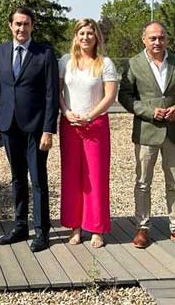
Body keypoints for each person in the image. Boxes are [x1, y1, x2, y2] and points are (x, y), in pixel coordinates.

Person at [117, 21, 175, 250]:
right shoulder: (134, 63)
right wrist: (148, 111)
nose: (157, 42)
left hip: (174, 131)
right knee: (143, 182)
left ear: (167, 39)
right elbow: (125, 96)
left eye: (161, 37)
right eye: (152, 38)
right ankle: (142, 227)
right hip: (146, 130)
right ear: (144, 40)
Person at [0, 7, 59, 253]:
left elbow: (51, 94)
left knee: (38, 179)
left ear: (32, 26)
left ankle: (41, 231)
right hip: (9, 127)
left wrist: (49, 129)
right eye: (18, 24)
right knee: (17, 178)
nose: (21, 28)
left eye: (26, 24)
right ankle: (20, 226)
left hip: (37, 129)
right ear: (10, 26)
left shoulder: (45, 53)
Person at [58, 19, 118, 249]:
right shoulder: (66, 62)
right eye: (81, 33)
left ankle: (96, 228)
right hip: (70, 126)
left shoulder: (105, 63)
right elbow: (59, 93)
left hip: (96, 126)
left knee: (96, 178)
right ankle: (75, 227)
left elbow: (109, 96)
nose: (85, 37)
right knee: (72, 177)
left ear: (97, 37)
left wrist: (91, 116)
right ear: (76, 36)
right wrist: (66, 112)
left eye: (90, 33)